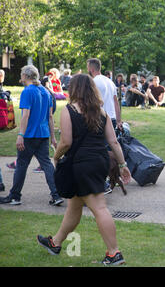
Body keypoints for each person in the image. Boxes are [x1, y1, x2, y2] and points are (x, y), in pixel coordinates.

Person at [36, 73, 132, 265]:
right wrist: (122, 165)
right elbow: (113, 141)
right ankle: (55, 242)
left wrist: (55, 156)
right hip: (99, 162)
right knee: (74, 205)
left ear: (74, 89)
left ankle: (114, 253)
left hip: (81, 164)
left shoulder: (69, 110)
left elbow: (66, 142)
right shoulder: (101, 112)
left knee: (99, 207)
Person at [0, 65, 63, 206]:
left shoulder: (28, 91)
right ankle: (56, 194)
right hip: (43, 135)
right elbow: (50, 117)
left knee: (21, 164)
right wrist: (52, 137)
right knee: (47, 164)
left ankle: (15, 196)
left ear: (26, 76)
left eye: (22, 74)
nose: (21, 76)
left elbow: (25, 115)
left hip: (29, 135)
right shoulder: (46, 92)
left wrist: (20, 135)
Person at [87, 58, 122, 130]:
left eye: (88, 68)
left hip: (101, 118)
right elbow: (116, 102)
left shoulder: (93, 82)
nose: (87, 70)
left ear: (92, 69)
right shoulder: (110, 82)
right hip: (113, 119)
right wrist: (118, 121)